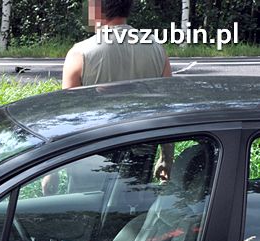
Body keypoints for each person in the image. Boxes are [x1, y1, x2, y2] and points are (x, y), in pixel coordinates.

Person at [41, 0, 173, 195]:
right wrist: (166, 158)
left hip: (91, 159)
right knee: (130, 212)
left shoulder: (80, 53)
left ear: (97, 9)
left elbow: (68, 118)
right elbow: (166, 109)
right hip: (141, 155)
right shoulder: (157, 49)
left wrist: (51, 170)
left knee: (87, 213)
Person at [63, 0, 173, 88]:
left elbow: (68, 107)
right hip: (147, 116)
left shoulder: (78, 55)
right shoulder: (157, 48)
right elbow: (167, 96)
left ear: (95, 8)